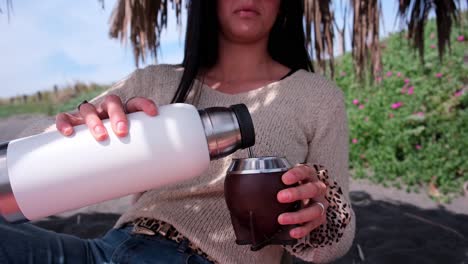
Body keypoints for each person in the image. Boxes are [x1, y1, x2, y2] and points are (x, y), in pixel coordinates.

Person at [0, 0, 354, 263]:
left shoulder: (318, 97)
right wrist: (76, 129)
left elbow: (338, 237)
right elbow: (26, 157)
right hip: (108, 252)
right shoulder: (154, 82)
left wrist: (315, 215)